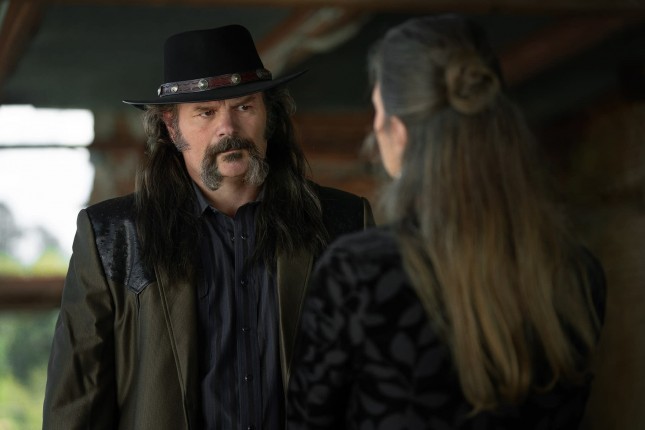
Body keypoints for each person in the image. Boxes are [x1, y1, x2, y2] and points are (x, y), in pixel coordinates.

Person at [42, 24, 374, 430]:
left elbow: (377, 379)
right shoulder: (112, 237)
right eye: (206, 112)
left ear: (269, 116)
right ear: (171, 127)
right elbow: (76, 403)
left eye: (244, 107)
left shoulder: (343, 222)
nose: (228, 128)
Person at [286, 14, 605, 430]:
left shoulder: (360, 273)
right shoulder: (576, 273)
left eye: (378, 111)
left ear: (398, 132)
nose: (374, 128)